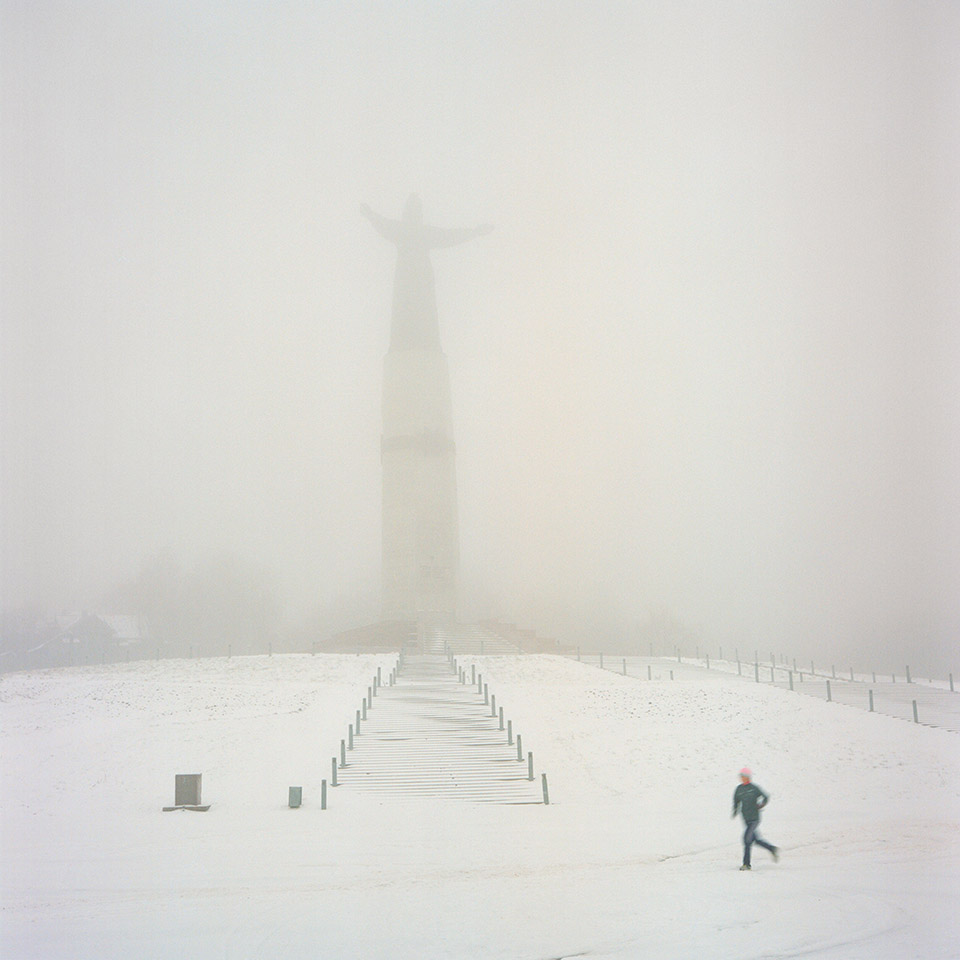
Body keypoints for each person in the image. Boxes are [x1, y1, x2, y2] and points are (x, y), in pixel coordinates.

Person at [732, 768, 779, 870]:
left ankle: (746, 864)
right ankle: (772, 849)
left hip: (754, 819)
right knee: (755, 840)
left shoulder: (754, 788)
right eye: (741, 777)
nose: (742, 778)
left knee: (747, 840)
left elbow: (765, 797)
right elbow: (736, 800)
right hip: (745, 818)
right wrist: (735, 810)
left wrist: (761, 804)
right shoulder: (739, 789)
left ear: (748, 777)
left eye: (744, 776)